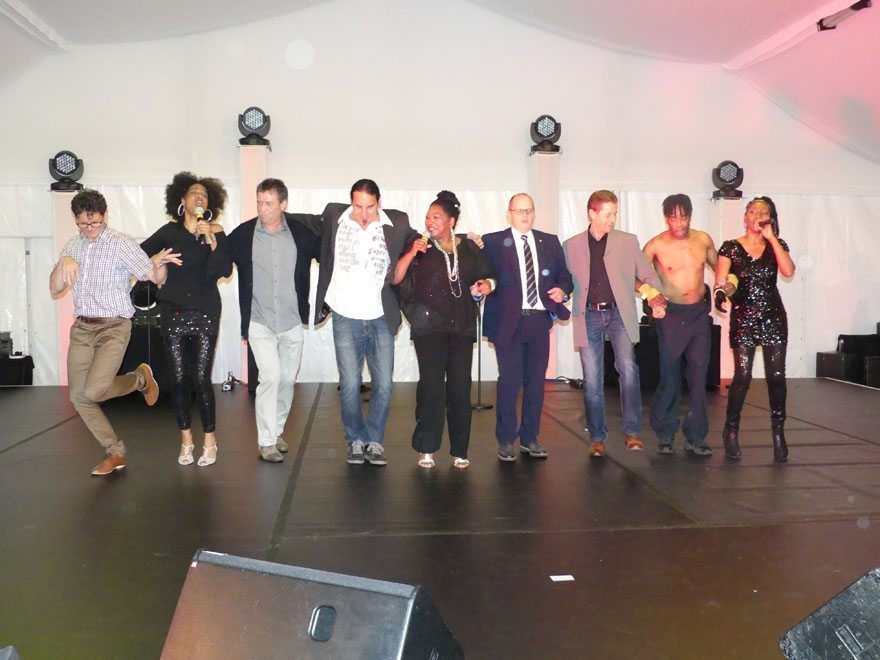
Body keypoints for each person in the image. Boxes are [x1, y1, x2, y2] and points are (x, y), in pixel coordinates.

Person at [49, 189, 180, 476]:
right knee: (78, 397)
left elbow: (154, 276)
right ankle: (115, 451)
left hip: (114, 327)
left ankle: (140, 379)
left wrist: (160, 265)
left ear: (104, 215)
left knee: (94, 390)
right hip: (82, 328)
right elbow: (55, 288)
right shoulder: (72, 245)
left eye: (94, 222)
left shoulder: (121, 244)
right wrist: (63, 262)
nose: (89, 229)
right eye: (83, 224)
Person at [308, 179, 412, 467]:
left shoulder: (397, 222)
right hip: (345, 315)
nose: (364, 214)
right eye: (358, 206)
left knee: (384, 384)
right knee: (351, 383)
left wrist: (464, 238)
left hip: (380, 316)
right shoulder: (334, 215)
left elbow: (427, 238)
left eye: (370, 207)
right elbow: (300, 223)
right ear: (350, 202)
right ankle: (355, 439)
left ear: (379, 202)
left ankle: (374, 441)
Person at [393, 191, 494, 468]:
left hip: (461, 325)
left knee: (461, 388)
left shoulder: (470, 247)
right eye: (428, 217)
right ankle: (426, 447)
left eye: (436, 217)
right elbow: (396, 278)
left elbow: (488, 276)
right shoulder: (419, 247)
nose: (430, 222)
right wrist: (412, 252)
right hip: (429, 327)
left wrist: (486, 286)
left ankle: (460, 449)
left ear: (451, 222)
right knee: (432, 386)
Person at [563, 190, 666, 458]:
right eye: (608, 214)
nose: (612, 219)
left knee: (628, 369)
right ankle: (597, 437)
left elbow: (647, 275)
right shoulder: (571, 245)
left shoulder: (627, 241)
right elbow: (564, 282)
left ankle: (632, 432)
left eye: (615, 214)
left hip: (620, 313)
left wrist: (656, 298)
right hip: (588, 315)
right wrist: (558, 294)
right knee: (592, 378)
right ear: (592, 213)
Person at [141, 172, 232, 467]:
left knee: (201, 378)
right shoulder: (169, 232)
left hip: (206, 311)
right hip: (174, 310)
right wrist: (156, 260)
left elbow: (225, 270)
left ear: (210, 203)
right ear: (182, 200)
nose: (199, 197)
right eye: (194, 192)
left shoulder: (216, 230)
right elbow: (138, 254)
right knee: (179, 379)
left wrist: (212, 238)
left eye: (204, 194)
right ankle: (186, 441)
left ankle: (210, 441)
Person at [227, 178, 321, 463]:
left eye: (268, 203)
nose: (262, 209)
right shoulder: (243, 235)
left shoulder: (301, 234)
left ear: (283, 204)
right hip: (259, 321)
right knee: (269, 377)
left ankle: (276, 431)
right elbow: (219, 259)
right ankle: (266, 441)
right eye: (259, 203)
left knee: (286, 380)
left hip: (291, 321)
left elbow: (329, 257)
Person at [481, 193, 573, 461]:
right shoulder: (493, 242)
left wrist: (562, 290)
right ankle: (506, 439)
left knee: (536, 382)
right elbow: (484, 274)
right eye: (519, 211)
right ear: (508, 213)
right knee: (509, 382)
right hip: (508, 321)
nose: (525, 215)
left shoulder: (549, 241)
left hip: (539, 320)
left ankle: (530, 438)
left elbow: (565, 278)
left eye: (529, 210)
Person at [714, 196, 795, 462]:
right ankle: (731, 430)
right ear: (745, 217)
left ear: (770, 218)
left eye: (763, 211)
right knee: (743, 376)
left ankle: (778, 433)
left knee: (776, 376)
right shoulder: (730, 247)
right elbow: (723, 281)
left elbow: (788, 271)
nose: (758, 214)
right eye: (753, 211)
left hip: (773, 317)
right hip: (744, 317)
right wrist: (722, 292)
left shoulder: (776, 245)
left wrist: (772, 239)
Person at [642, 194, 718, 456]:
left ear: (690, 216)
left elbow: (722, 267)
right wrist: (651, 295)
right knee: (670, 377)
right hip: (671, 315)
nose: (679, 223)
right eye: (673, 218)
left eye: (683, 217)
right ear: (666, 218)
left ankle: (695, 437)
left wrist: (725, 287)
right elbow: (635, 275)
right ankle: (665, 433)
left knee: (698, 377)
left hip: (698, 314)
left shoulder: (703, 240)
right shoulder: (656, 245)